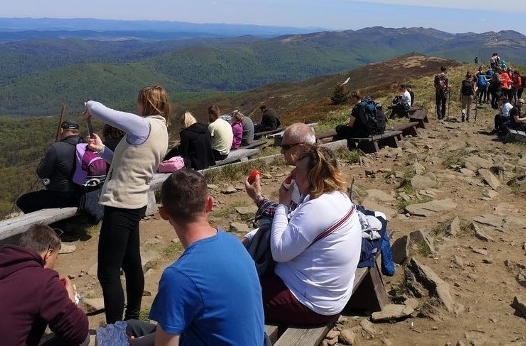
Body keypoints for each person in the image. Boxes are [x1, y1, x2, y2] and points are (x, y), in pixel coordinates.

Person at [125, 170, 266, 346]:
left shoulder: (179, 276)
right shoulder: (234, 243)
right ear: (209, 204)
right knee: (131, 328)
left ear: (163, 213)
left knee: (117, 332)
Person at [245, 123, 362, 326]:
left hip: (311, 303)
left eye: (297, 170)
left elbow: (279, 252)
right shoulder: (336, 197)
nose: (293, 175)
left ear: (311, 175)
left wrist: (282, 203)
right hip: (326, 294)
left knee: (233, 299)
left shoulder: (317, 207)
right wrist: (261, 199)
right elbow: (295, 223)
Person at [83, 85, 170, 324]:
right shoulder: (161, 130)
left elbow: (100, 109)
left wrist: (89, 106)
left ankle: (115, 334)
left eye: (139, 102)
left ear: (147, 104)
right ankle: (132, 319)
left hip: (120, 204)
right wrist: (102, 150)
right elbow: (128, 162)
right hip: (135, 202)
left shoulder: (143, 125)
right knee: (131, 264)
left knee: (108, 273)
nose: (136, 106)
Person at [0, 224, 89, 346]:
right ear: (49, 253)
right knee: (83, 339)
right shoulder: (43, 279)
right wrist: (71, 300)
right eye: (55, 258)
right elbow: (78, 333)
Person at [16, 121, 85, 213]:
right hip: (85, 195)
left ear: (61, 130)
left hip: (63, 196)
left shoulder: (57, 148)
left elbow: (42, 173)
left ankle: (49, 225)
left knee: (23, 201)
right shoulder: (88, 145)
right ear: (77, 132)